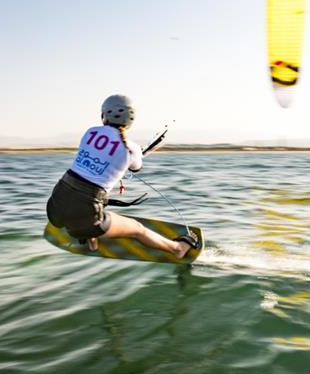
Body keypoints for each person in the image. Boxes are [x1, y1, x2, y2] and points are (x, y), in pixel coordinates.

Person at [46, 94, 200, 258]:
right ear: (131, 119)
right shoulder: (131, 149)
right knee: (136, 229)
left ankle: (90, 237)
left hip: (55, 207)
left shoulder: (90, 133)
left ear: (104, 115)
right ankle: (177, 249)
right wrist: (137, 154)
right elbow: (135, 167)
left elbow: (100, 157)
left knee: (89, 192)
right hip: (87, 216)